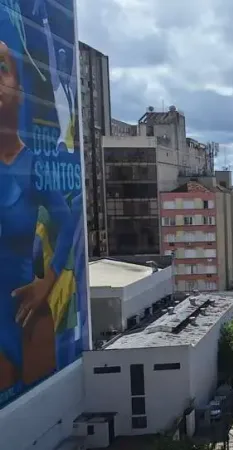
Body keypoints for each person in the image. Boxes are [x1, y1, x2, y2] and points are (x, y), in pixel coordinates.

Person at [0, 37, 75, 402]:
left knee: (40, 412)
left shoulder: (34, 167)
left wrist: (50, 279)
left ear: (20, 91)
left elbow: (68, 221)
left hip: (26, 317)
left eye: (1, 70)